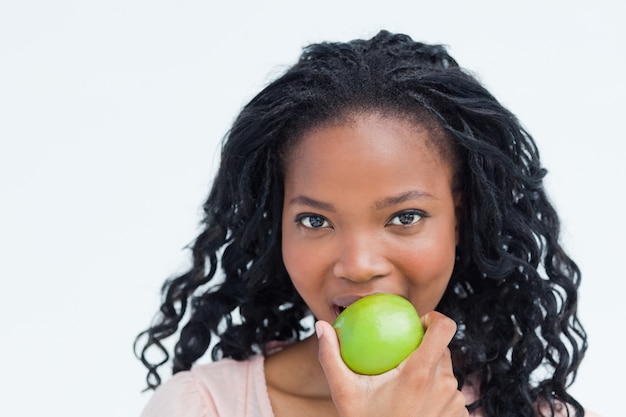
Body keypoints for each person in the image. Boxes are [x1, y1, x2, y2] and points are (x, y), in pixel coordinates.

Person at [135, 30, 592, 416]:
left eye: (405, 217)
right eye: (314, 220)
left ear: (460, 219)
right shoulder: (204, 405)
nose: (358, 265)